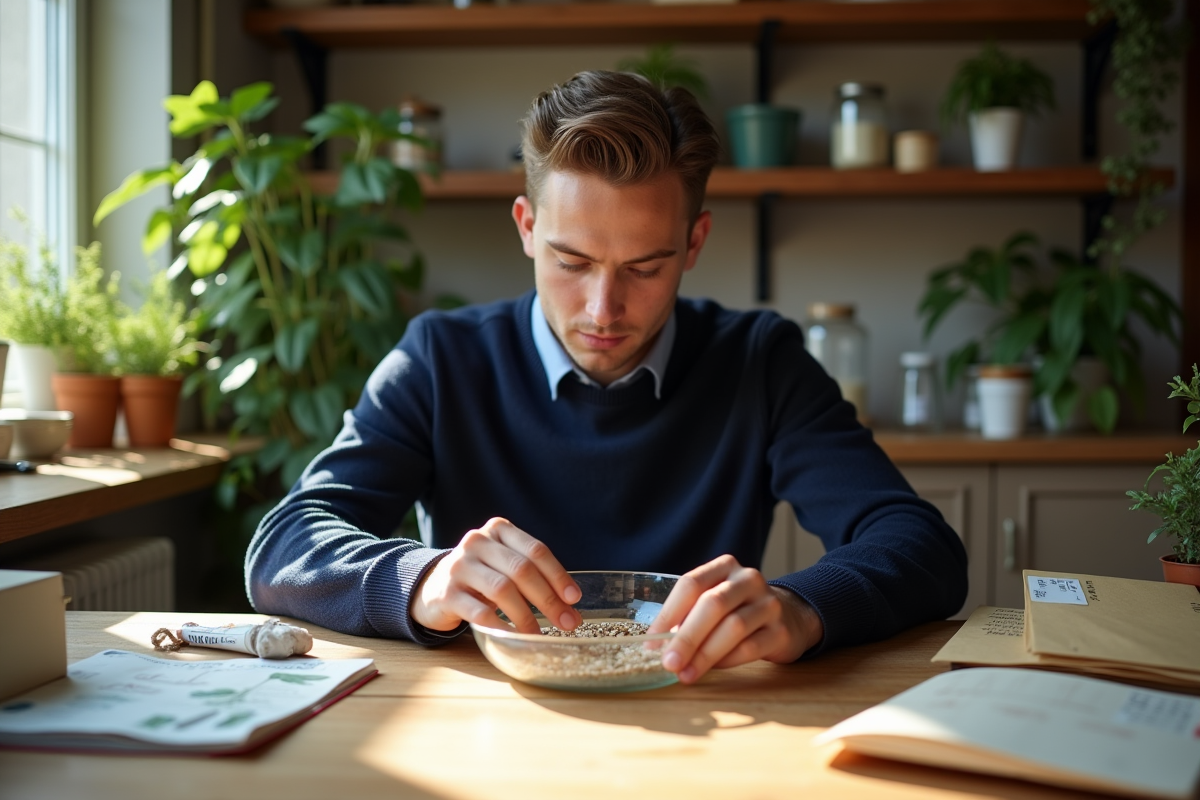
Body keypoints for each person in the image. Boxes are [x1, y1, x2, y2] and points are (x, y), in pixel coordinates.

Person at [246, 71, 968, 684]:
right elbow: (284, 547)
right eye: (572, 262)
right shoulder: (441, 358)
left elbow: (920, 545)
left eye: (645, 268)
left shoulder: (759, 361)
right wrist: (425, 579)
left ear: (694, 241)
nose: (603, 309)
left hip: (701, 711)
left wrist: (803, 607)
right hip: (483, 720)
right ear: (527, 227)